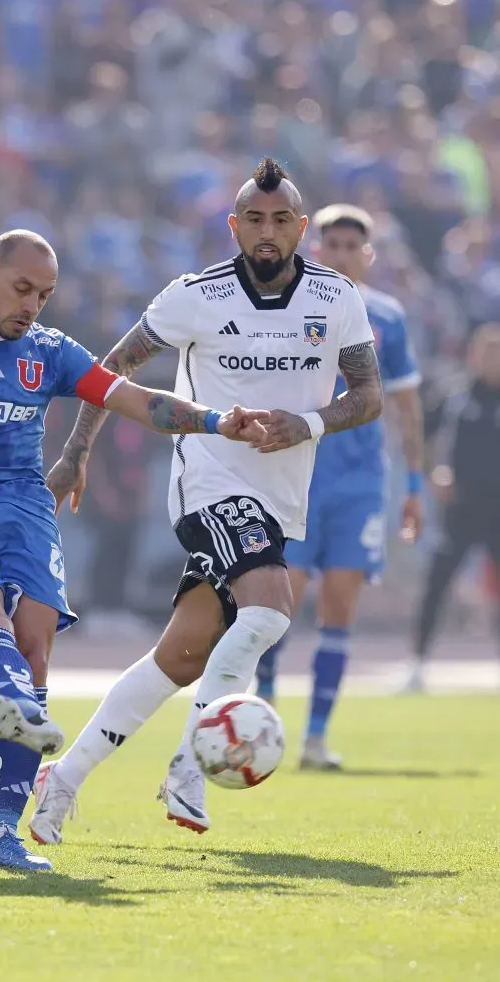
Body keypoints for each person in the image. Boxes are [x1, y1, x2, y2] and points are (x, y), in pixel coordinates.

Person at [0, 229, 266, 872]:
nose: (32, 305)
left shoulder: (50, 350)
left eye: (44, 294)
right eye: (22, 289)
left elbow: (138, 401)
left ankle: (1, 831)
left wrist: (214, 419)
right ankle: (20, 712)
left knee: (34, 651)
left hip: (27, 512)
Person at [29, 158, 383, 845]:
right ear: (234, 225)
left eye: (280, 220)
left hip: (280, 498)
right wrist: (76, 452)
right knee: (270, 608)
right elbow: (109, 372)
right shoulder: (197, 294)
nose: (267, 232)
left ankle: (62, 780)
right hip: (210, 482)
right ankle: (192, 763)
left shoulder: (336, 298)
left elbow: (366, 395)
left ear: (300, 227)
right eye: (253, 219)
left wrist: (305, 425)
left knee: (183, 657)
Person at [254, 204, 424, 768]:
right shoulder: (292, 306)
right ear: (316, 248)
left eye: (356, 246)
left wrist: (416, 484)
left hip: (360, 482)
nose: (345, 255)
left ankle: (316, 738)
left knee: (339, 606)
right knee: (280, 603)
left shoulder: (388, 318)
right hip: (300, 475)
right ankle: (262, 721)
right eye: (335, 245)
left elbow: (405, 404)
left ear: (368, 254)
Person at [408, 323, 500, 691]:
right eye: (487, 352)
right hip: (460, 509)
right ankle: (417, 664)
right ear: (474, 356)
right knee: (437, 583)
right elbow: (421, 434)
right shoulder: (456, 397)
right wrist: (433, 473)